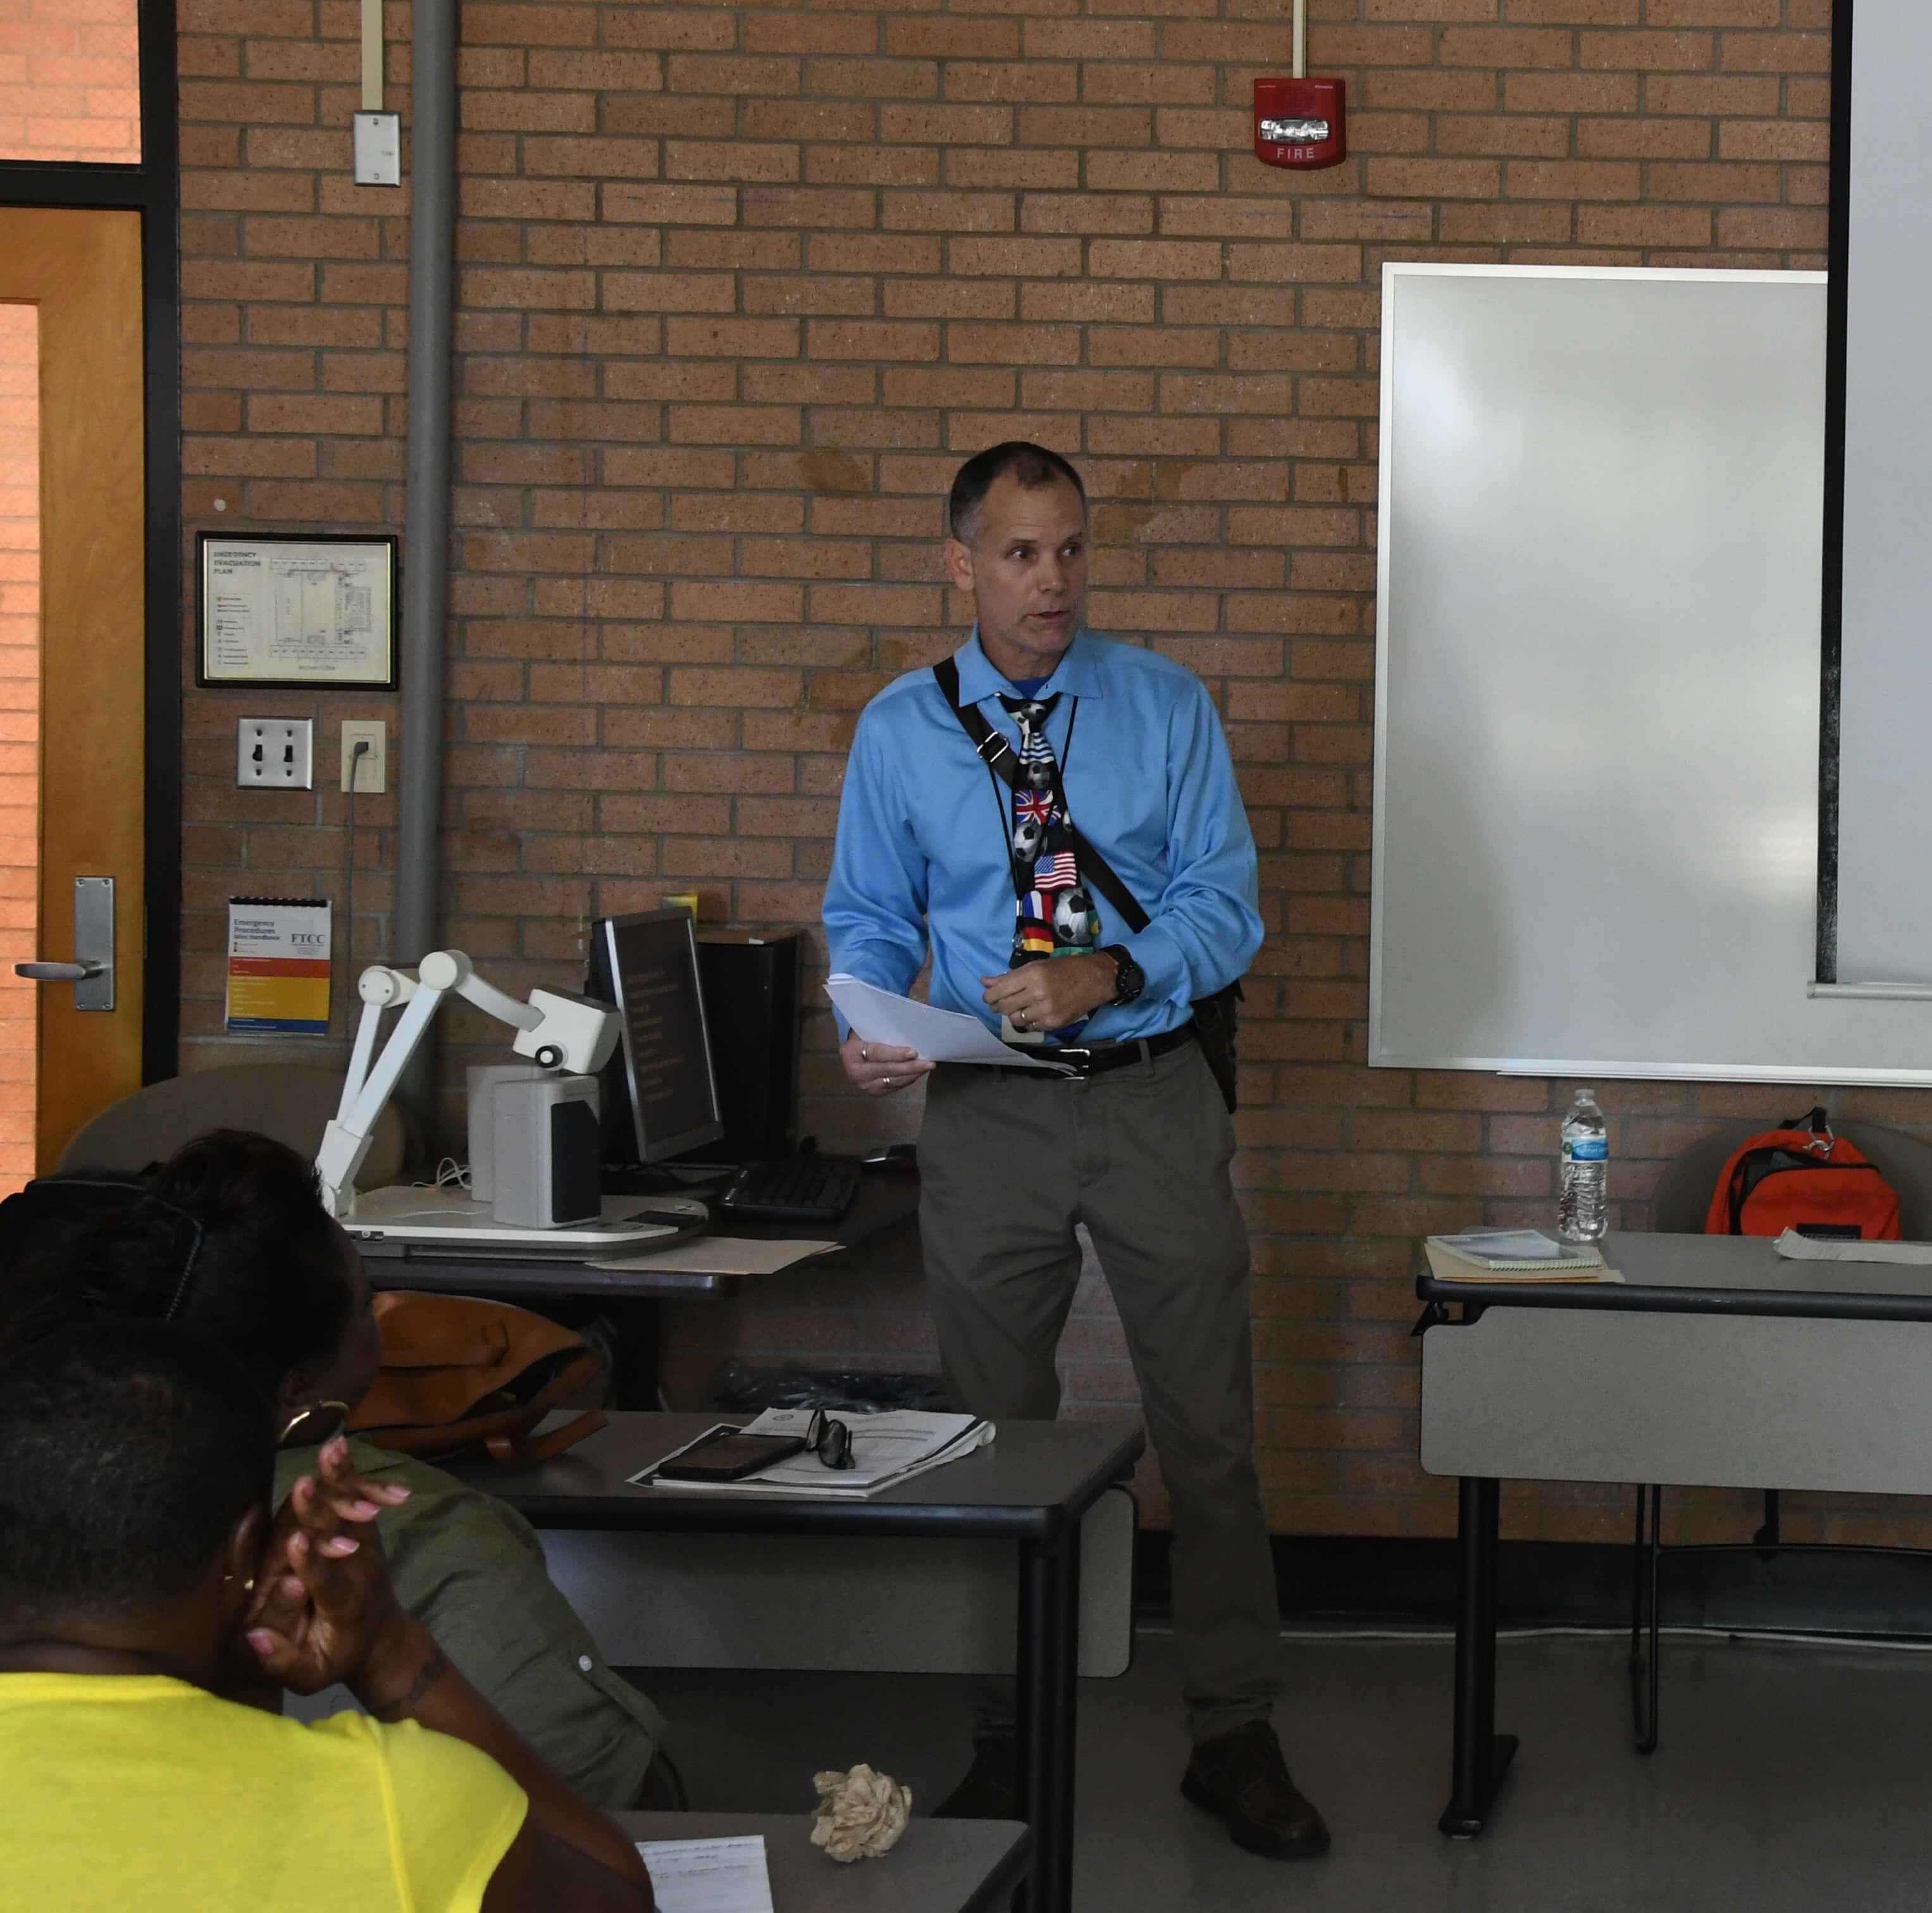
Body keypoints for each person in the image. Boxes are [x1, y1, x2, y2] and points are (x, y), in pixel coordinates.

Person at [822, 440, 1327, 1857]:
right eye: (1020, 553)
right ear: (961, 565)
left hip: (1150, 1095)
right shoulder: (900, 729)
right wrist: (864, 1019)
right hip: (987, 1112)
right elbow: (867, 913)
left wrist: (1108, 969)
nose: (1052, 581)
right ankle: (1008, 1735)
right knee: (989, 1434)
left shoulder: (1163, 705)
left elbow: (1226, 906)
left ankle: (1232, 1730)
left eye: (1070, 549)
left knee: (1208, 1434)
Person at [0, 1130, 669, 1808]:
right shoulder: (412, 1531)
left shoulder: (37, 1492)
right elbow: (611, 1806)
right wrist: (389, 1654)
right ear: (298, 1390)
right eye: (366, 1304)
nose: (384, 1316)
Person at [0, 1318, 655, 1911]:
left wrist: (247, 1679)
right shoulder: (398, 1803)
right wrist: (388, 1649)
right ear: (245, 1547)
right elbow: (618, 1893)